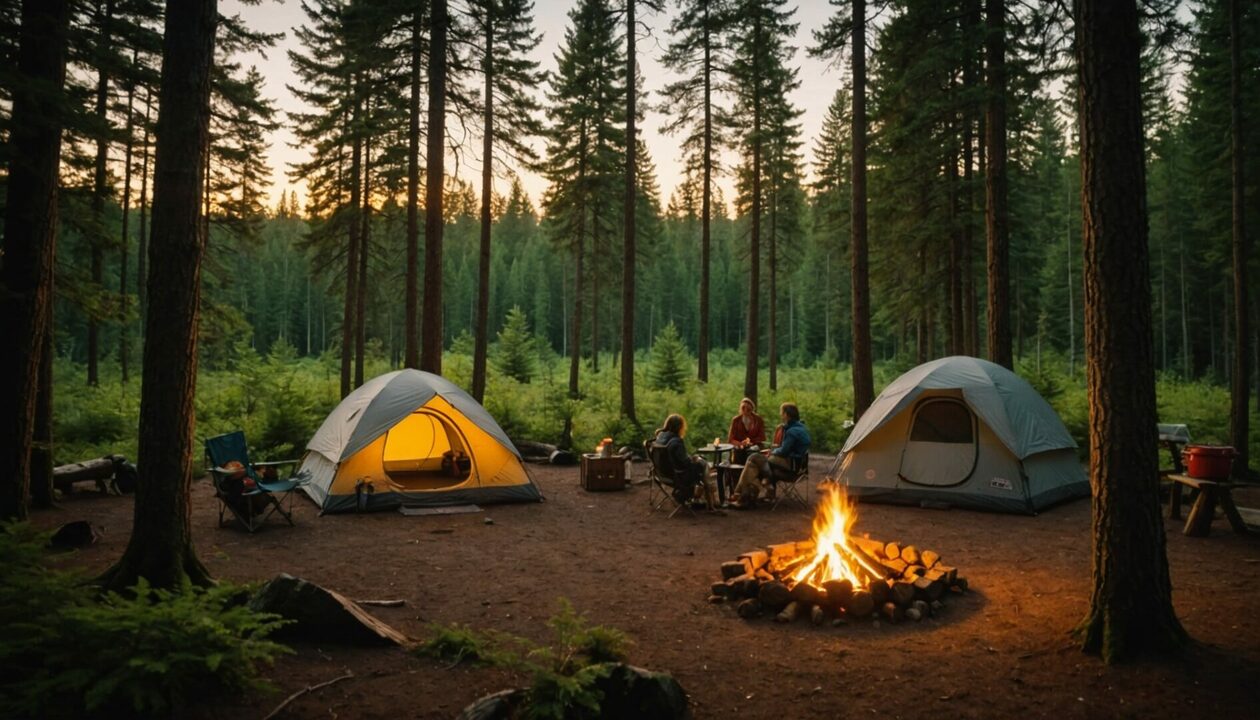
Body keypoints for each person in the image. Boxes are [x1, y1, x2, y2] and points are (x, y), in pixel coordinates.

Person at [730, 402, 811, 508]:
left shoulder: (792, 431)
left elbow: (784, 451)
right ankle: (748, 496)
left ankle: (741, 495)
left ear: (787, 415)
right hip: (798, 465)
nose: (781, 415)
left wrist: (773, 451)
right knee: (754, 464)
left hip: (791, 464)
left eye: (782, 413)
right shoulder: (800, 427)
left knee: (754, 458)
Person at [653, 413, 719, 508]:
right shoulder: (676, 441)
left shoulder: (660, 437)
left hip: (662, 474)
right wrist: (694, 460)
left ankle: (704, 499)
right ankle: (710, 500)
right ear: (679, 427)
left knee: (702, 464)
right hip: (679, 476)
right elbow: (685, 463)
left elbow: (677, 459)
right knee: (703, 464)